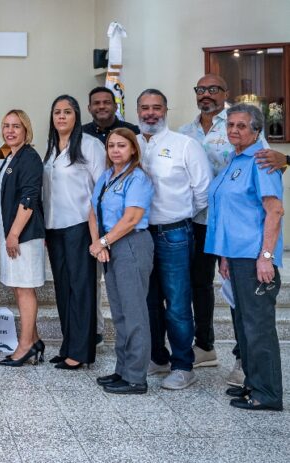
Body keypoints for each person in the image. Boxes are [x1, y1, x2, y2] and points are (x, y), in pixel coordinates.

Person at [177, 74, 282, 384]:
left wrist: (286, 159)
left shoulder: (243, 125)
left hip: (241, 229)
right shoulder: (186, 132)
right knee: (201, 285)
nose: (206, 94)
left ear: (225, 93)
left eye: (213, 89)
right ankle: (205, 346)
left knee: (244, 302)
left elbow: (268, 173)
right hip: (202, 222)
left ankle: (242, 359)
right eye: (201, 89)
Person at [207, 104, 284, 411]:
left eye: (242, 126)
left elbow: (274, 211)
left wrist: (266, 256)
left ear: (256, 131)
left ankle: (267, 393)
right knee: (243, 324)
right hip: (235, 257)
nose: (234, 130)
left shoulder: (261, 161)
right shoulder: (233, 160)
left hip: (254, 259)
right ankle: (252, 382)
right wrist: (224, 257)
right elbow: (229, 213)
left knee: (258, 327)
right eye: (231, 125)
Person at [137, 89, 212, 390]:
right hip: (140, 235)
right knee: (149, 300)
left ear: (166, 110)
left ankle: (184, 365)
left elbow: (203, 191)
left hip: (175, 233)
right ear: (138, 111)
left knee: (178, 302)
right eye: (145, 108)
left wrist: (180, 216)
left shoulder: (185, 145)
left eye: (156, 107)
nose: (150, 113)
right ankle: (158, 356)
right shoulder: (132, 144)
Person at [89, 128, 155, 395]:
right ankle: (122, 370)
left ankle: (137, 377)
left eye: (121, 146)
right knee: (119, 312)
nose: (115, 150)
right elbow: (92, 212)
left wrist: (103, 242)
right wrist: (99, 244)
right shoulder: (106, 177)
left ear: (133, 150)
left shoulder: (138, 178)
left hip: (131, 243)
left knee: (134, 312)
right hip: (110, 244)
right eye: (111, 146)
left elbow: (131, 218)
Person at [42, 95, 106, 369]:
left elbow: (101, 189)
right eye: (57, 112)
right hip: (54, 227)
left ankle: (81, 351)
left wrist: (98, 236)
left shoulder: (91, 146)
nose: (61, 116)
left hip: (81, 226)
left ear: (77, 116)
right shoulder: (50, 148)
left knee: (81, 288)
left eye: (67, 111)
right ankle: (69, 344)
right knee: (63, 289)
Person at [0, 109, 46, 367]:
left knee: (25, 289)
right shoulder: (11, 157)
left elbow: (29, 198)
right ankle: (34, 341)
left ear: (26, 130)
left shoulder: (30, 158)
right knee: (18, 287)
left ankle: (24, 346)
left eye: (16, 126)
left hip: (23, 236)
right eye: (6, 126)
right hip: (12, 235)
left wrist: (13, 234)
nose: (10, 131)